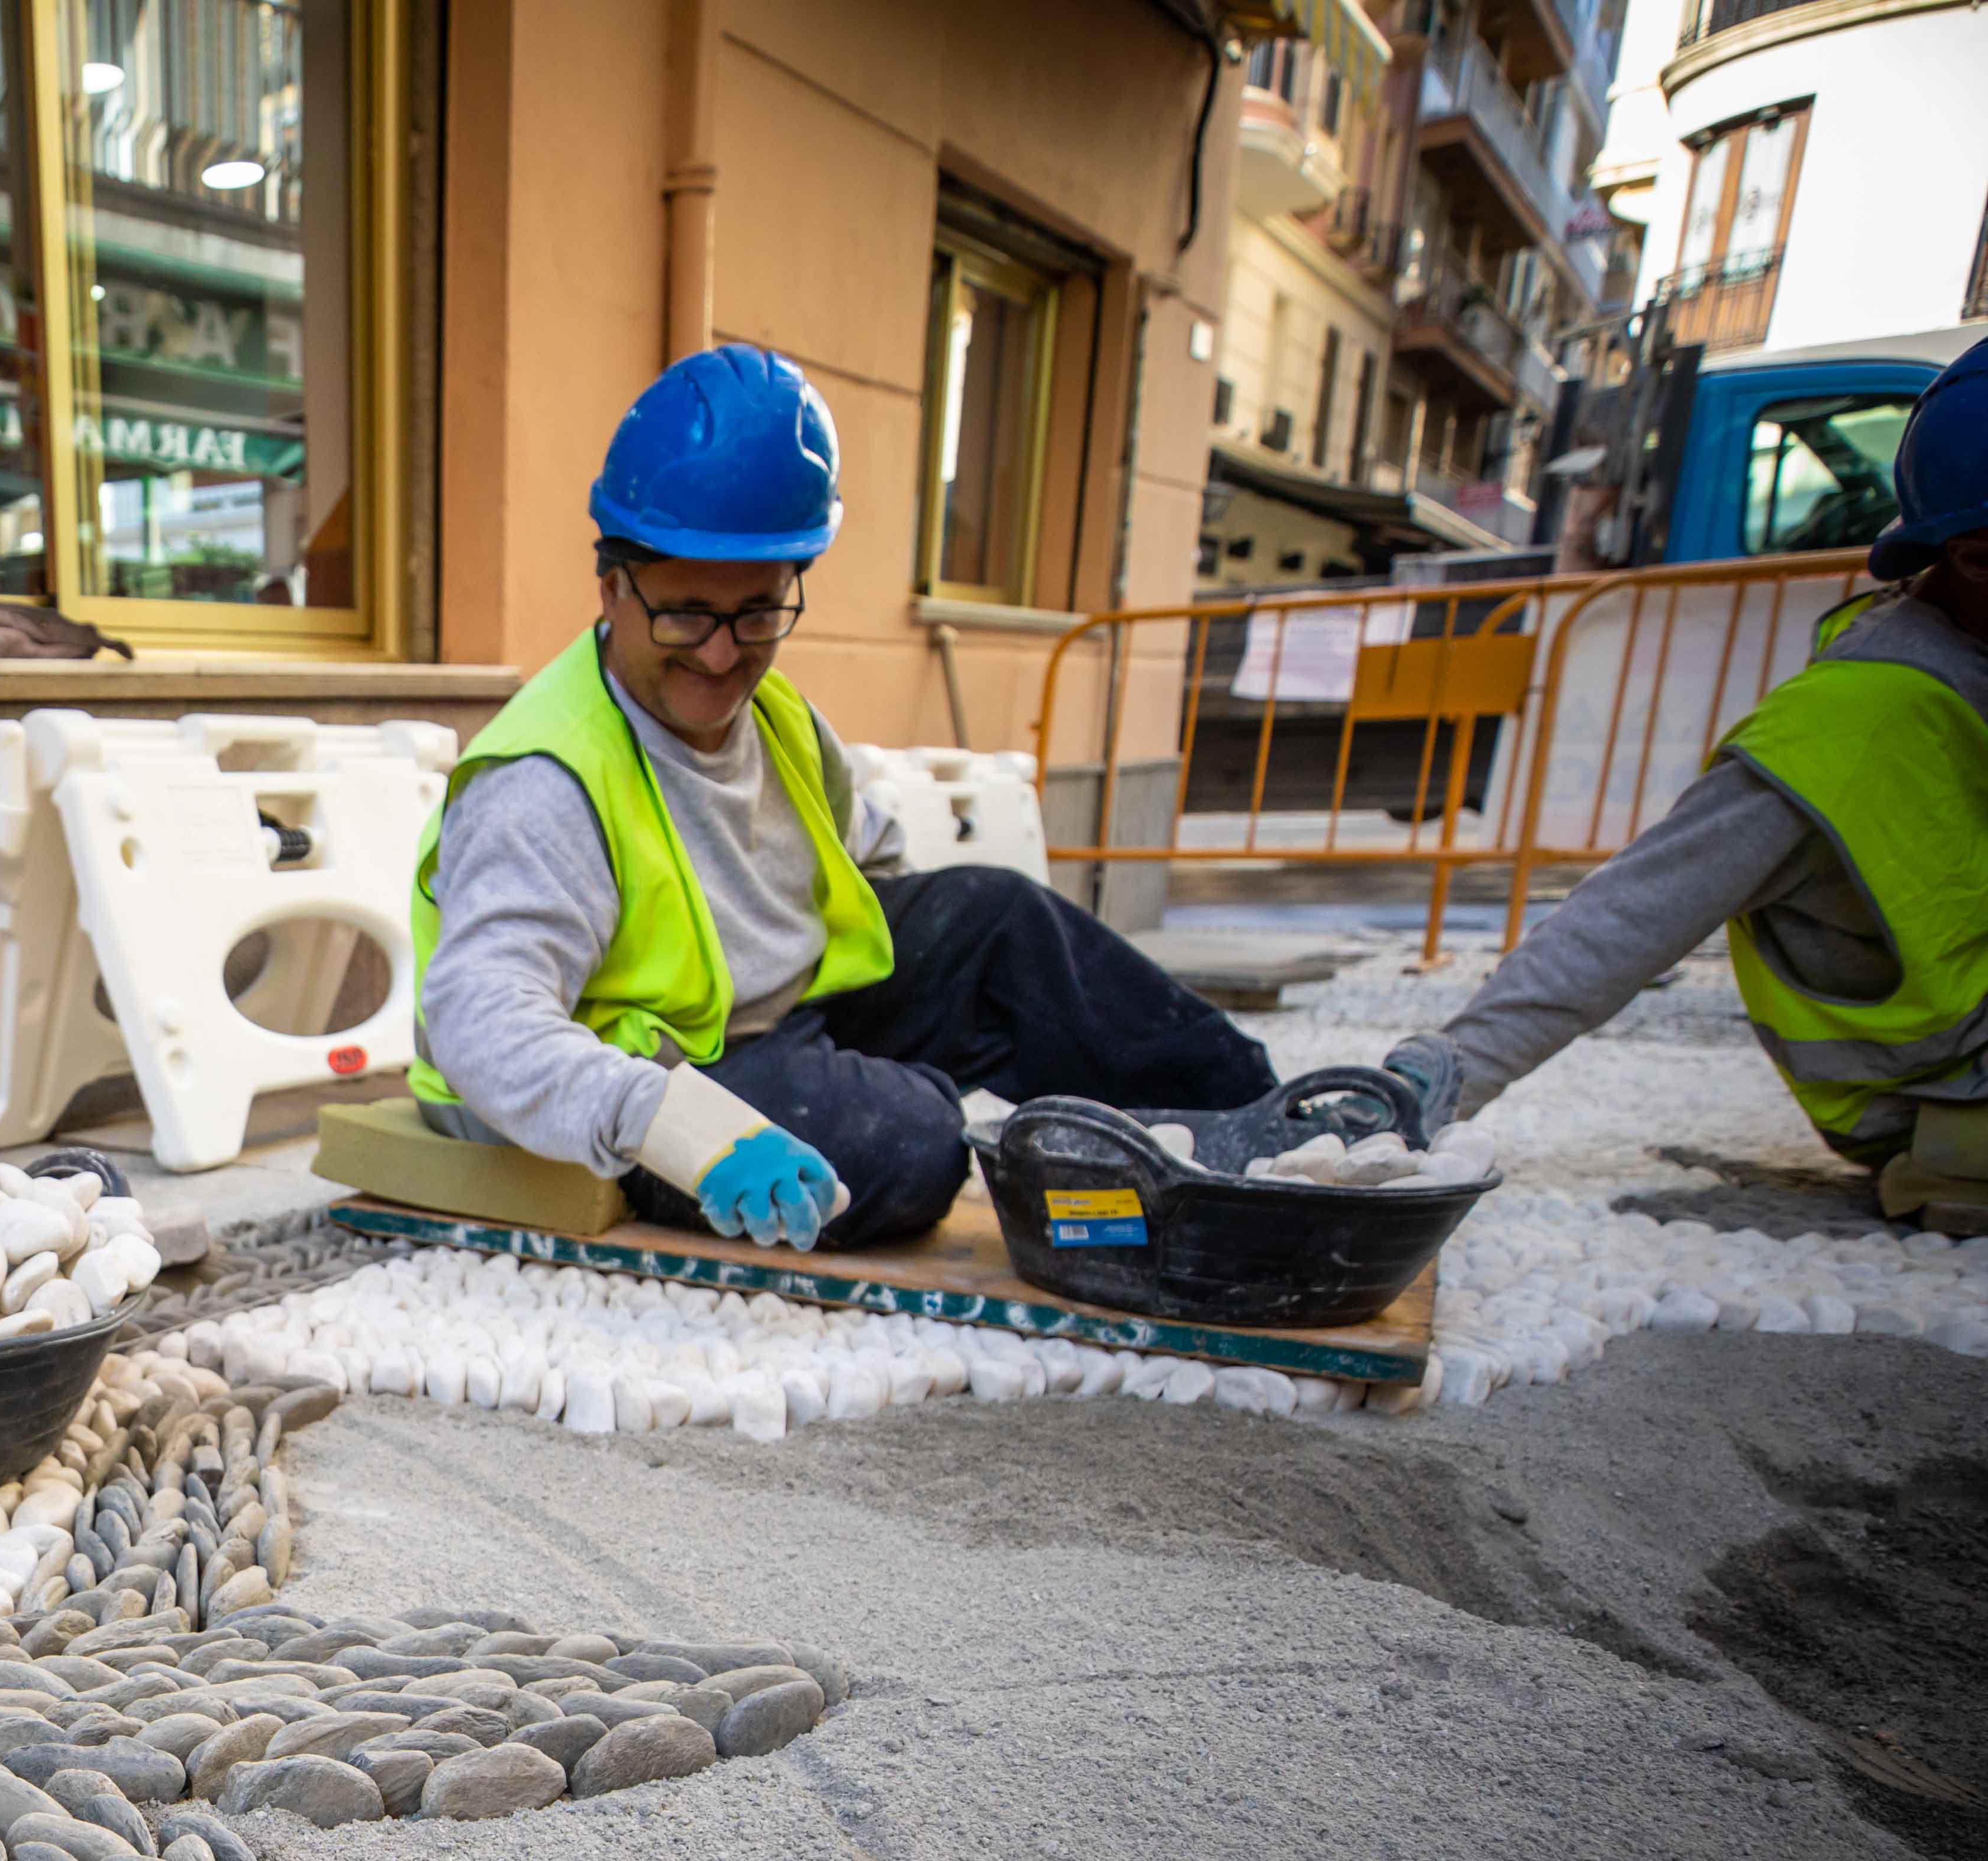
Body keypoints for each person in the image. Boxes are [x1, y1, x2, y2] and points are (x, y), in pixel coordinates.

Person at [411, 345, 1274, 1250]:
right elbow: (483, 1026)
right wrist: (685, 1133)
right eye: (686, 613)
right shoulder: (546, 780)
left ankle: (1265, 1127)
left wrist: (961, 992)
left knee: (999, 919)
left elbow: (875, 869)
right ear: (613, 586)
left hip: (777, 1013)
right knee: (906, 1144)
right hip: (641, 1082)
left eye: (756, 613)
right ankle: (989, 1144)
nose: (719, 654)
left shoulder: (777, 716)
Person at [1387, 333, 1988, 1230]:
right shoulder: (1859, 723)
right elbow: (1629, 915)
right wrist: (1434, 1080)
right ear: (1971, 554)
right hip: (1946, 1098)